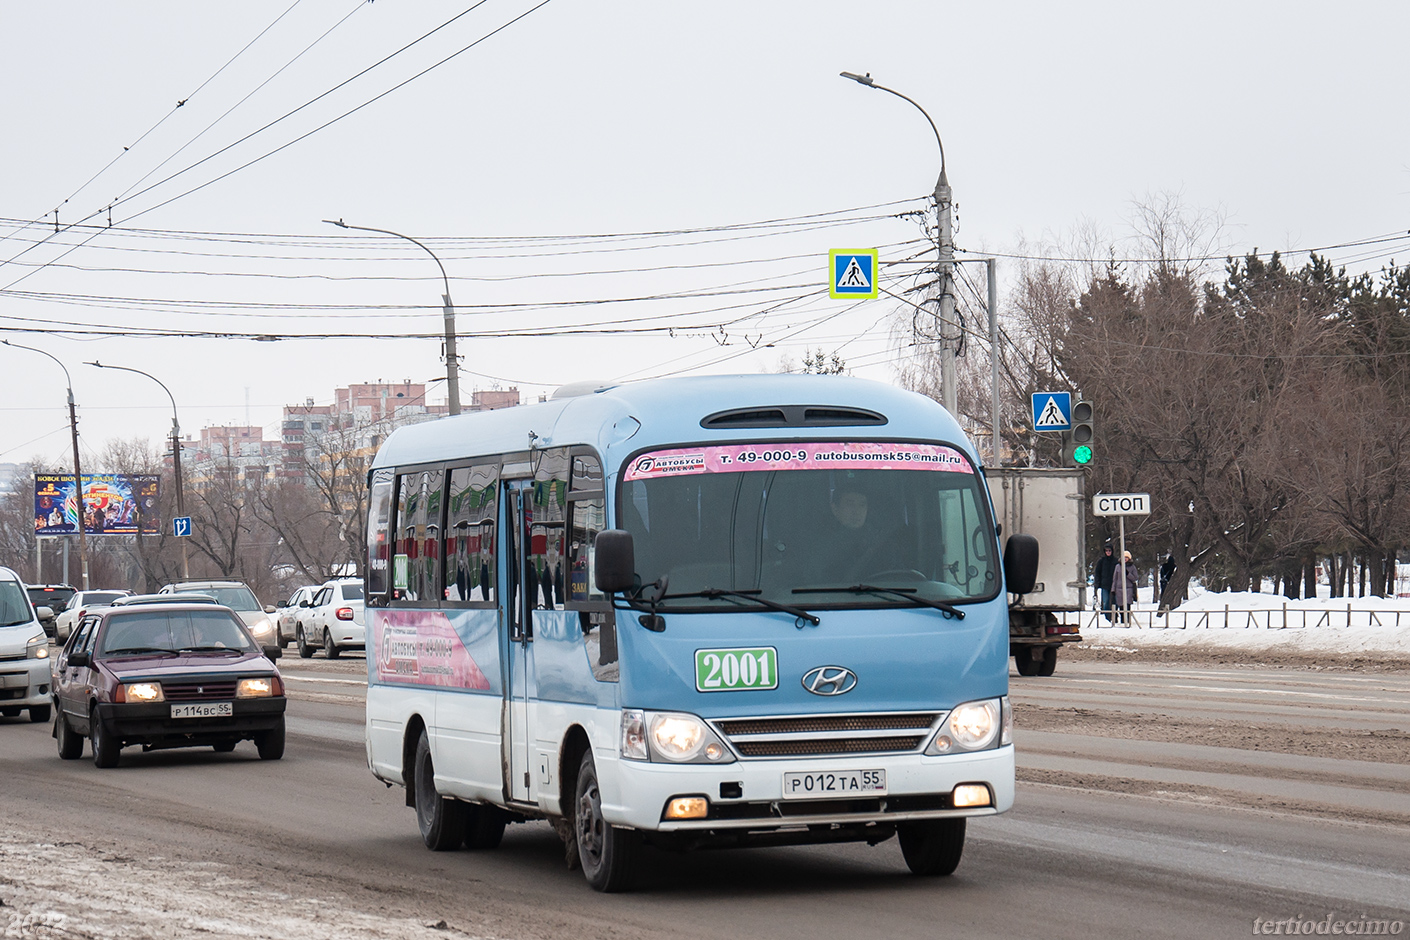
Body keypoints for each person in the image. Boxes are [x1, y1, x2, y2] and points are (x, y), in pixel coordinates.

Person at [1111, 550, 1139, 624]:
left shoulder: (1132, 567)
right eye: (1124, 557)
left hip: (1128, 589)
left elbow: (1135, 578)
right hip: (1119, 589)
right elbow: (1115, 578)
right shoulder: (1118, 566)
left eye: (1127, 557)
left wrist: (1128, 574)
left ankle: (1128, 620)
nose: (1125, 559)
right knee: (1121, 606)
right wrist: (1113, 589)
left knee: (1127, 605)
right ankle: (1122, 620)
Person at [1093, 544, 1117, 622]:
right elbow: (1097, 573)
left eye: (1109, 550)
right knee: (1106, 602)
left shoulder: (1116, 561)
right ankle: (1107, 619)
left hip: (1114, 585)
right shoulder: (1101, 561)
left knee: (1114, 602)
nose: (1108, 552)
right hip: (1104, 585)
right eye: (1106, 551)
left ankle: (1114, 617)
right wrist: (1097, 583)